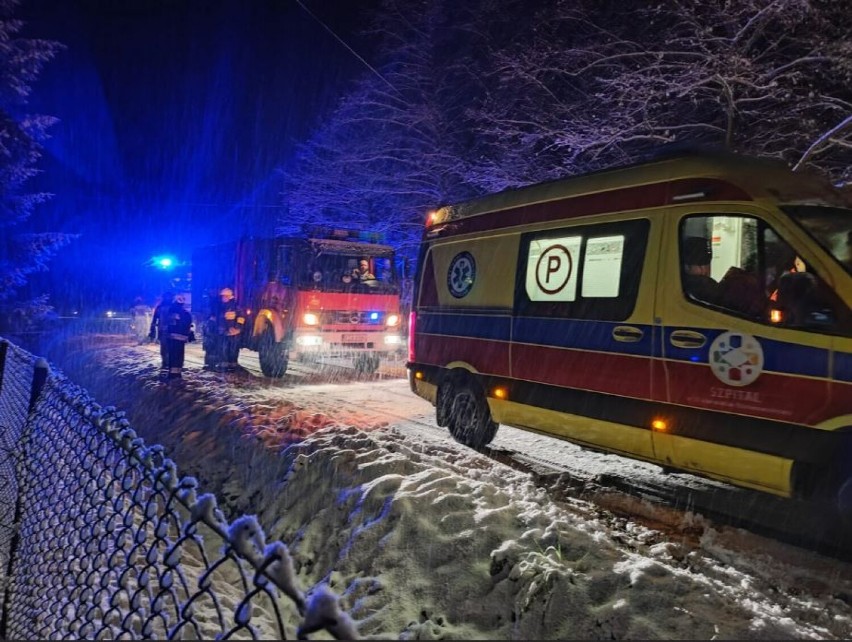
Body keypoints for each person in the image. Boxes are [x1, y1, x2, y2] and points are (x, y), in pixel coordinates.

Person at [205, 287, 245, 370]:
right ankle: (224, 366)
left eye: (224, 296)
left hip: (234, 332)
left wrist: (237, 327)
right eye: (222, 296)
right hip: (223, 332)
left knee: (233, 350)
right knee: (223, 349)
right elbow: (216, 318)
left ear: (229, 297)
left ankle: (233, 365)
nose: (223, 298)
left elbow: (241, 318)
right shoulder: (220, 307)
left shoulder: (235, 307)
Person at [162, 296, 194, 380]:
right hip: (181, 337)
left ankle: (173, 373)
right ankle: (178, 372)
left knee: (173, 354)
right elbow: (189, 323)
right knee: (179, 354)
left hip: (173, 337)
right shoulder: (185, 313)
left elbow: (167, 323)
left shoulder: (171, 311)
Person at [681, 236, 720, 304]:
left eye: (707, 264)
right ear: (686, 266)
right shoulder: (698, 286)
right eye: (699, 264)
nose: (705, 270)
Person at [149, 291, 176, 379]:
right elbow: (154, 319)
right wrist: (152, 329)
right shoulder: (165, 307)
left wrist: (152, 330)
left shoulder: (164, 307)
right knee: (165, 347)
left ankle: (168, 363)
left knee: (168, 347)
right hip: (166, 330)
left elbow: (154, 320)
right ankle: (166, 363)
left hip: (169, 330)